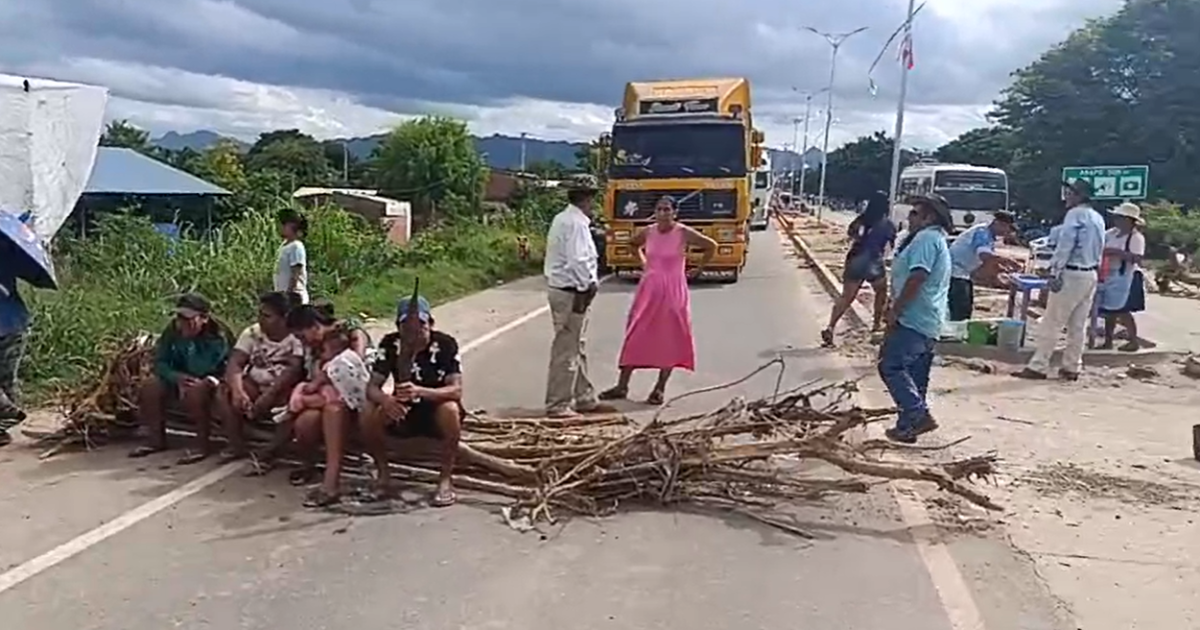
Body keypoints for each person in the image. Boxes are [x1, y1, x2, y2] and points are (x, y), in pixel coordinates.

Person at [598, 196, 716, 404]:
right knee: (635, 333)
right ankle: (622, 385)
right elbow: (633, 245)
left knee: (669, 336)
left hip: (673, 290)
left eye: (667, 209)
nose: (663, 213)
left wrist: (698, 268)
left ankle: (659, 388)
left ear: (674, 212)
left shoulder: (682, 232)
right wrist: (644, 263)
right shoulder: (648, 232)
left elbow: (711, 246)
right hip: (649, 289)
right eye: (660, 209)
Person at [359, 296, 464, 506]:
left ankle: (444, 478)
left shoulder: (445, 344)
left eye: (420, 325)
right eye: (406, 327)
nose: (414, 332)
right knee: (368, 411)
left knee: (450, 410)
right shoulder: (390, 344)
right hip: (404, 409)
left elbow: (456, 390)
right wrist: (387, 401)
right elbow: (372, 387)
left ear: (430, 324)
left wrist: (421, 391)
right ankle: (383, 475)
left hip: (435, 408)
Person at [1014, 180, 1106, 381]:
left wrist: (1054, 272)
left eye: (1070, 193)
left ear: (1079, 195)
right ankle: (1072, 367)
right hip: (1090, 273)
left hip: (1072, 273)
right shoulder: (1097, 218)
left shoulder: (1075, 215)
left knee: (1052, 322)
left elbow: (1066, 245)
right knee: (1078, 325)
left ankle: (1038, 366)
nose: (1067, 197)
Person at [879, 195, 953, 444]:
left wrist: (896, 310)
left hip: (914, 317)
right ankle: (907, 427)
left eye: (914, 214)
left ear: (928, 217)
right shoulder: (935, 239)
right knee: (915, 374)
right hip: (929, 318)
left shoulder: (926, 239)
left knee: (891, 365)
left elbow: (917, 277)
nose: (909, 218)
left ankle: (917, 415)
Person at [543, 174, 616, 418]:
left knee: (576, 345)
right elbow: (578, 261)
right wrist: (588, 285)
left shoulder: (566, 219)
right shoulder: (574, 223)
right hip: (571, 291)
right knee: (566, 349)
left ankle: (584, 397)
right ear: (588, 198)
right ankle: (558, 405)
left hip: (567, 289)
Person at [284, 303, 372, 503]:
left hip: (359, 394)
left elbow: (353, 363)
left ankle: (331, 483)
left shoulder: (350, 330)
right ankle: (311, 466)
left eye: (301, 335)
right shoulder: (312, 349)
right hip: (327, 396)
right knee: (304, 424)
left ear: (314, 326)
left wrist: (323, 377)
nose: (302, 342)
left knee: (334, 410)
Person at [129, 294, 232, 462]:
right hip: (180, 376)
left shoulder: (218, 336)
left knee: (196, 392)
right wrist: (175, 377)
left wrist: (193, 380)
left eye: (188, 318)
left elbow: (210, 366)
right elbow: (160, 361)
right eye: (179, 317)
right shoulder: (173, 330)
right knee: (151, 386)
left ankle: (201, 445)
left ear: (204, 318)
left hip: (212, 378)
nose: (181, 323)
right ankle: (155, 440)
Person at [217, 292, 305, 462]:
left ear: (284, 318)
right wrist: (238, 391)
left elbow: (293, 370)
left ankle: (271, 450)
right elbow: (235, 363)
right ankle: (236, 444)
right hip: (255, 384)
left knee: (292, 403)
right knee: (224, 391)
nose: (261, 319)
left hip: (283, 388)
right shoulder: (251, 332)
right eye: (260, 314)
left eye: (267, 316)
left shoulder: (297, 336)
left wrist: (270, 394)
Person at [821, 191, 896, 346]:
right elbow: (892, 245)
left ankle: (830, 326)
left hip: (855, 259)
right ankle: (876, 325)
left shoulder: (861, 219)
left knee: (847, 296)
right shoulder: (887, 224)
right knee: (881, 291)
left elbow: (851, 233)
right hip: (873, 261)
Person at [946, 210, 1021, 321]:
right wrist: (1008, 261)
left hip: (963, 273)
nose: (1007, 232)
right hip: (956, 272)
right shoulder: (983, 233)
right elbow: (985, 256)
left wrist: (1001, 269)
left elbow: (987, 261)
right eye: (1007, 228)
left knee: (965, 310)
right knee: (959, 311)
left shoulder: (988, 235)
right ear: (998, 223)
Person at [1098, 202, 1147, 351]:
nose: (1117, 220)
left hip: (1127, 275)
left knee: (1123, 310)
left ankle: (1133, 340)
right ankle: (1108, 341)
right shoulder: (1110, 233)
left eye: (1120, 217)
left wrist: (1115, 252)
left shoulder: (1136, 238)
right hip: (1109, 274)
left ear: (1129, 220)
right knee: (1109, 310)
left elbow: (1137, 258)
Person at [0, 267, 30, 447]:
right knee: (7, 379)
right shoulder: (4, 253)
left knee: (6, 380)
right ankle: (2, 428)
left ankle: (8, 413)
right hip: (16, 324)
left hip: (9, 325)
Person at [275, 210, 310, 305]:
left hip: (294, 297)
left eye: (284, 224)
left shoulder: (296, 246)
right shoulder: (284, 245)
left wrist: (289, 295)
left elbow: (296, 272)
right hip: (283, 296)